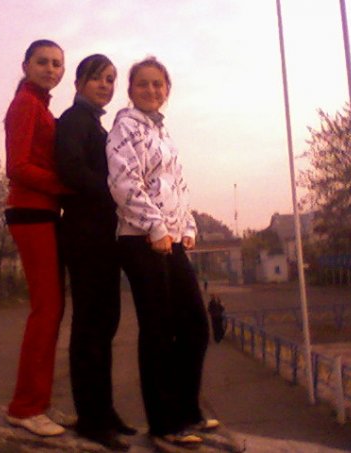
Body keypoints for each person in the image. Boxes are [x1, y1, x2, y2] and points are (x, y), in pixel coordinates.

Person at [106, 57, 220, 446]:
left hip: (169, 239)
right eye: (143, 84)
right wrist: (155, 226)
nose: (151, 90)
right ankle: (164, 423)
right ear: (131, 90)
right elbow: (123, 182)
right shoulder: (125, 127)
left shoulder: (162, 133)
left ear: (167, 90)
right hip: (140, 238)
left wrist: (187, 226)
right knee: (157, 329)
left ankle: (188, 410)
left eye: (158, 84)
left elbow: (178, 186)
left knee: (195, 325)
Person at [55, 54, 135, 451]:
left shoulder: (96, 125)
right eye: (98, 78)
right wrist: (113, 193)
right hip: (85, 235)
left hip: (104, 236)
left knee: (106, 324)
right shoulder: (73, 120)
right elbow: (70, 171)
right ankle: (90, 418)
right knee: (90, 326)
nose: (105, 85)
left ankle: (104, 410)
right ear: (79, 82)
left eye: (110, 79)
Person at [3, 39, 70, 437]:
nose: (50, 69)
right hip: (30, 212)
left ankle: (38, 402)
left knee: (52, 309)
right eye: (42, 62)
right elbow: (17, 167)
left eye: (57, 64)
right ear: (26, 65)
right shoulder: (26, 104)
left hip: (44, 212)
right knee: (46, 310)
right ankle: (24, 407)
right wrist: (66, 186)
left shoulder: (41, 106)